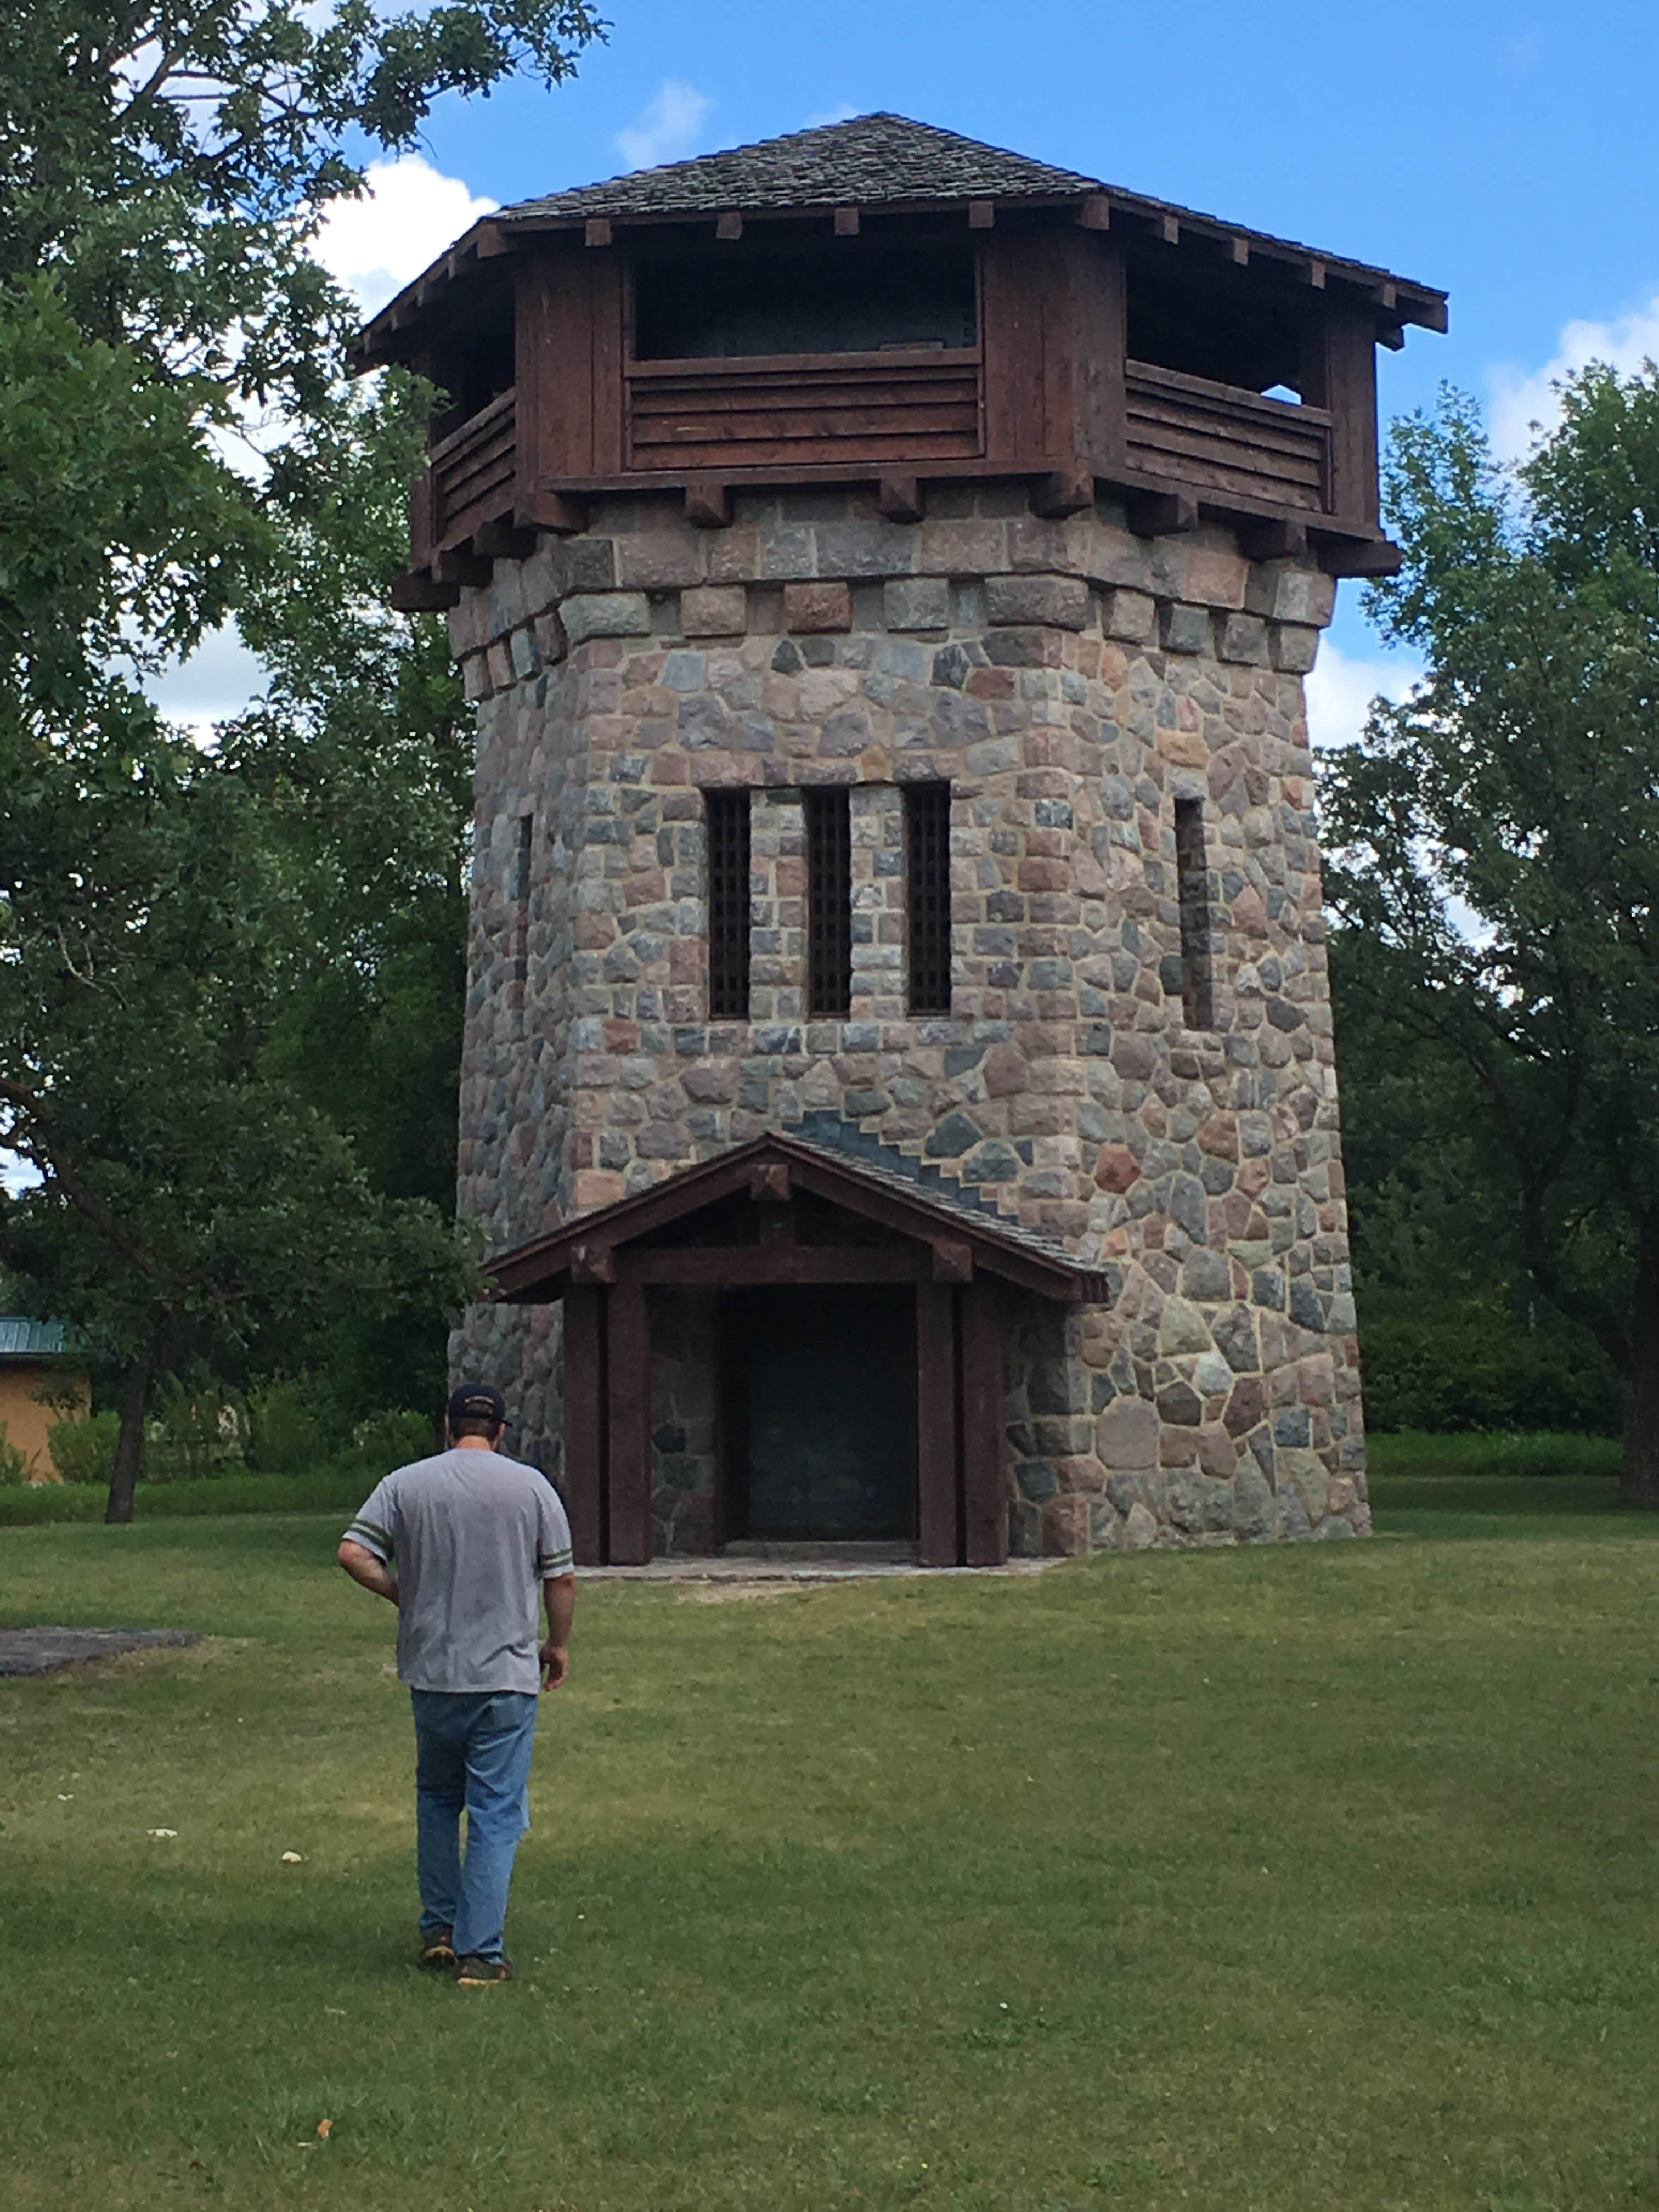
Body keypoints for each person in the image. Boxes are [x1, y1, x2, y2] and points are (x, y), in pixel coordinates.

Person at [337, 1381, 575, 1986]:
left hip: (434, 1673)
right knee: (496, 1812)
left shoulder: (406, 1484)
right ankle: (481, 1952)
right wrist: (558, 1644)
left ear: (447, 1426)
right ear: (501, 1431)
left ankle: (440, 1928)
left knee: (439, 1799)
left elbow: (353, 1553)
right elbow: (561, 1579)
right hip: (505, 1677)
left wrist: (403, 1595)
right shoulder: (532, 1488)